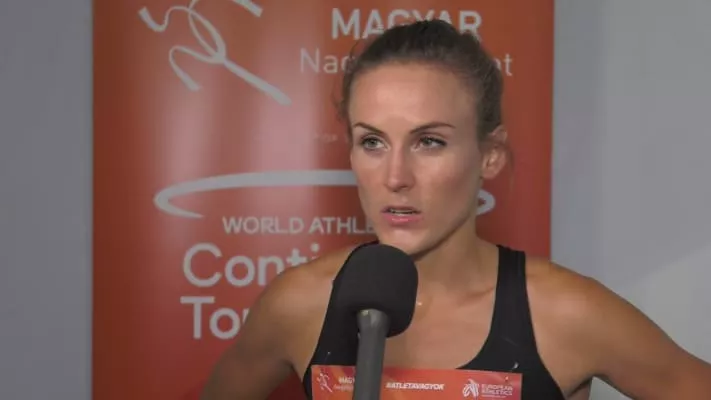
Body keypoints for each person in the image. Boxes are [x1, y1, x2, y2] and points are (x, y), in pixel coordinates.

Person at [200, 19, 711, 400]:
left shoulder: (565, 314)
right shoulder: (299, 305)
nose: (395, 177)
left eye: (430, 142)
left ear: (489, 155)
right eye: (372, 141)